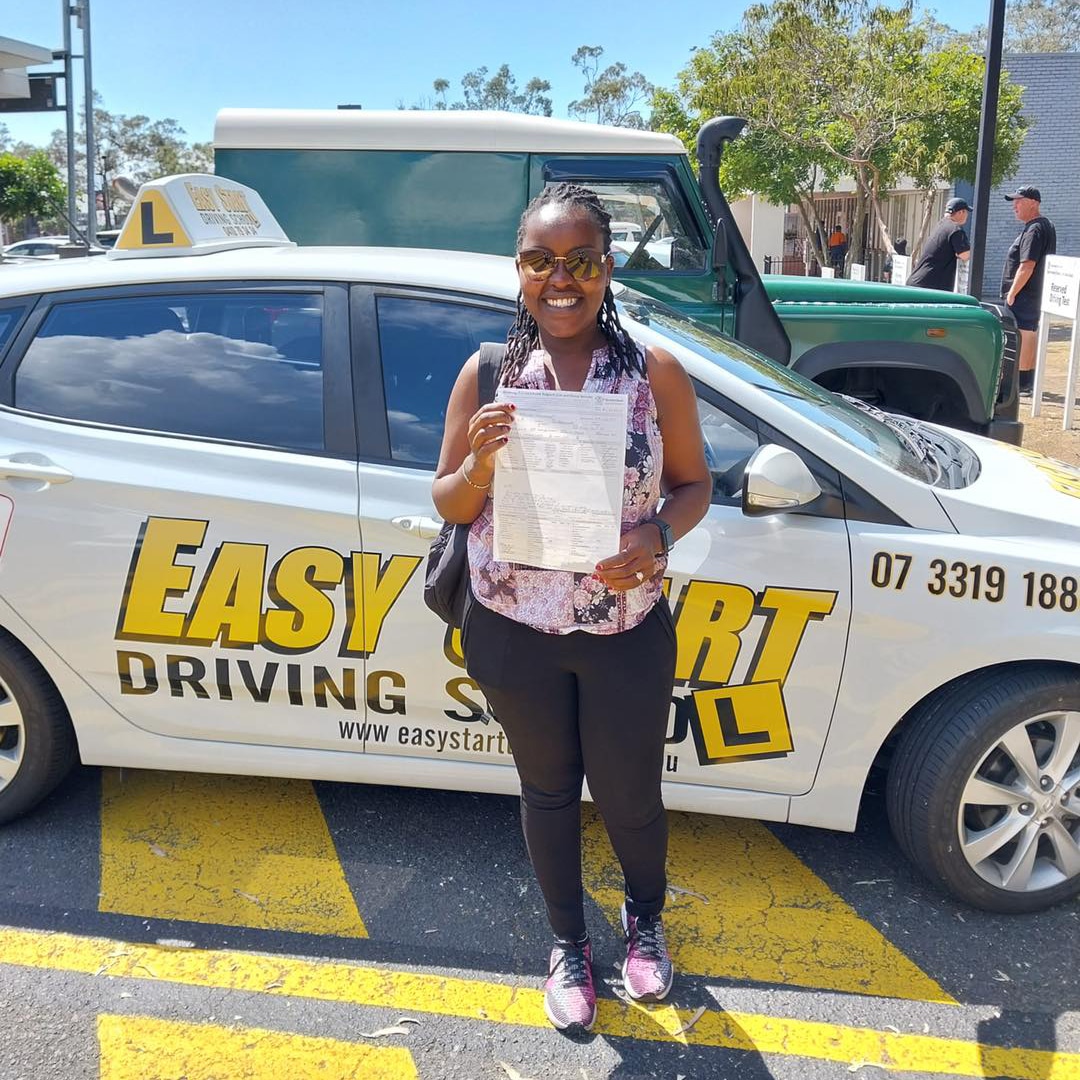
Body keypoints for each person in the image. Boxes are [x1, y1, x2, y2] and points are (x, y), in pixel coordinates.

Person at [433, 183, 711, 1034]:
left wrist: (657, 534)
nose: (561, 280)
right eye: (540, 261)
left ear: (607, 269)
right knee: (548, 791)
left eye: (581, 261)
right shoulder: (488, 373)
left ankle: (645, 918)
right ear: (518, 270)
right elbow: (447, 501)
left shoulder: (653, 373)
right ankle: (566, 944)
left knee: (630, 796)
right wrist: (478, 466)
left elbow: (695, 485)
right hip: (513, 627)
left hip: (622, 628)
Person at [1001, 185, 1057, 394]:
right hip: (1033, 293)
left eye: (1019, 201)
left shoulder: (1034, 229)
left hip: (1025, 294)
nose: (1014, 206)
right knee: (1029, 333)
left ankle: (1022, 383)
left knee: (1024, 334)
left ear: (1033, 203)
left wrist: (1012, 293)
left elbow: (1027, 265)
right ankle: (1028, 381)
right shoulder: (1045, 225)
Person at [908, 198, 971, 291]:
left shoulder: (941, 225)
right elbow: (965, 255)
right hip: (929, 287)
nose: (967, 216)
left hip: (918, 283)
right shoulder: (955, 229)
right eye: (966, 212)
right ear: (961, 212)